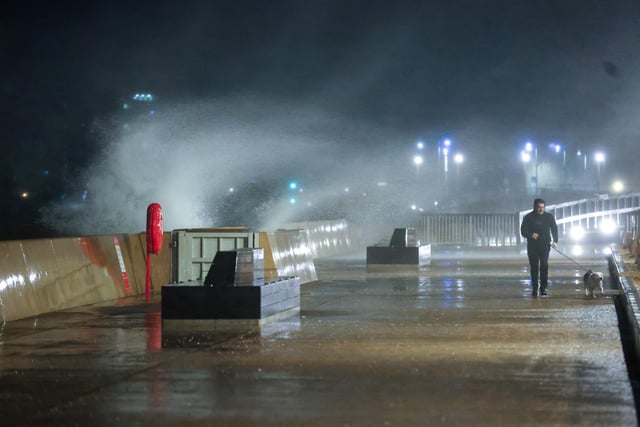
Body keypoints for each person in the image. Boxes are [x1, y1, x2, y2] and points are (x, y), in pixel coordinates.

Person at [520, 198, 558, 297]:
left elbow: (554, 229)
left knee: (544, 266)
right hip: (533, 246)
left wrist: (555, 241)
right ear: (535, 207)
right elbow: (523, 231)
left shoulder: (549, 217)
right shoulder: (528, 217)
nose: (541, 209)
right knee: (534, 267)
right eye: (539, 207)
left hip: (545, 245)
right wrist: (531, 234)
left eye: (543, 207)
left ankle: (543, 288)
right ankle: (535, 288)